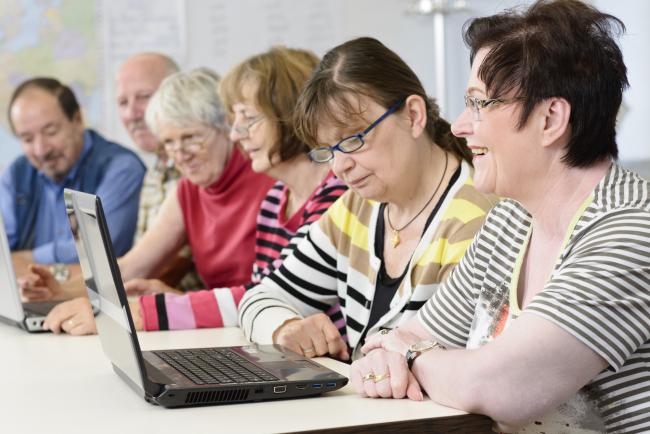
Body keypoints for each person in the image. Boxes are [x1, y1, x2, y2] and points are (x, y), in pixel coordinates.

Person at [349, 1, 650, 433]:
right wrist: (391, 354)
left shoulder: (630, 230)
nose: (457, 126)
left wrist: (412, 358)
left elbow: (501, 386)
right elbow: (406, 335)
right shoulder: (511, 221)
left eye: (477, 104)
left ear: (550, 118)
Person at [238, 37, 497, 362]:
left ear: (414, 115)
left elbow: (467, 362)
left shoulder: (475, 219)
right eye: (328, 150)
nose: (339, 165)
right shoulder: (356, 209)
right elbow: (259, 297)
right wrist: (284, 327)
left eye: (354, 140)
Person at [35, 68, 275, 335]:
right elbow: (132, 266)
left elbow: (277, 295)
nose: (180, 155)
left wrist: (177, 304)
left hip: (262, 327)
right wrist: (60, 291)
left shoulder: (267, 177)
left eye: (191, 138)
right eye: (169, 144)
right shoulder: (188, 189)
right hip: (226, 327)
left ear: (225, 127)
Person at [0, 77, 145, 278]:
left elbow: (99, 256)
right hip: (29, 302)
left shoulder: (120, 169)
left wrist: (27, 259)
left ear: (77, 120)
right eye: (27, 139)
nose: (41, 150)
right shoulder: (16, 174)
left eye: (51, 132)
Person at [115, 52, 202, 290]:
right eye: (123, 103)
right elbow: (135, 265)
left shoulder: (198, 168)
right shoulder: (155, 168)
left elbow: (165, 269)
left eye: (144, 97)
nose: (132, 114)